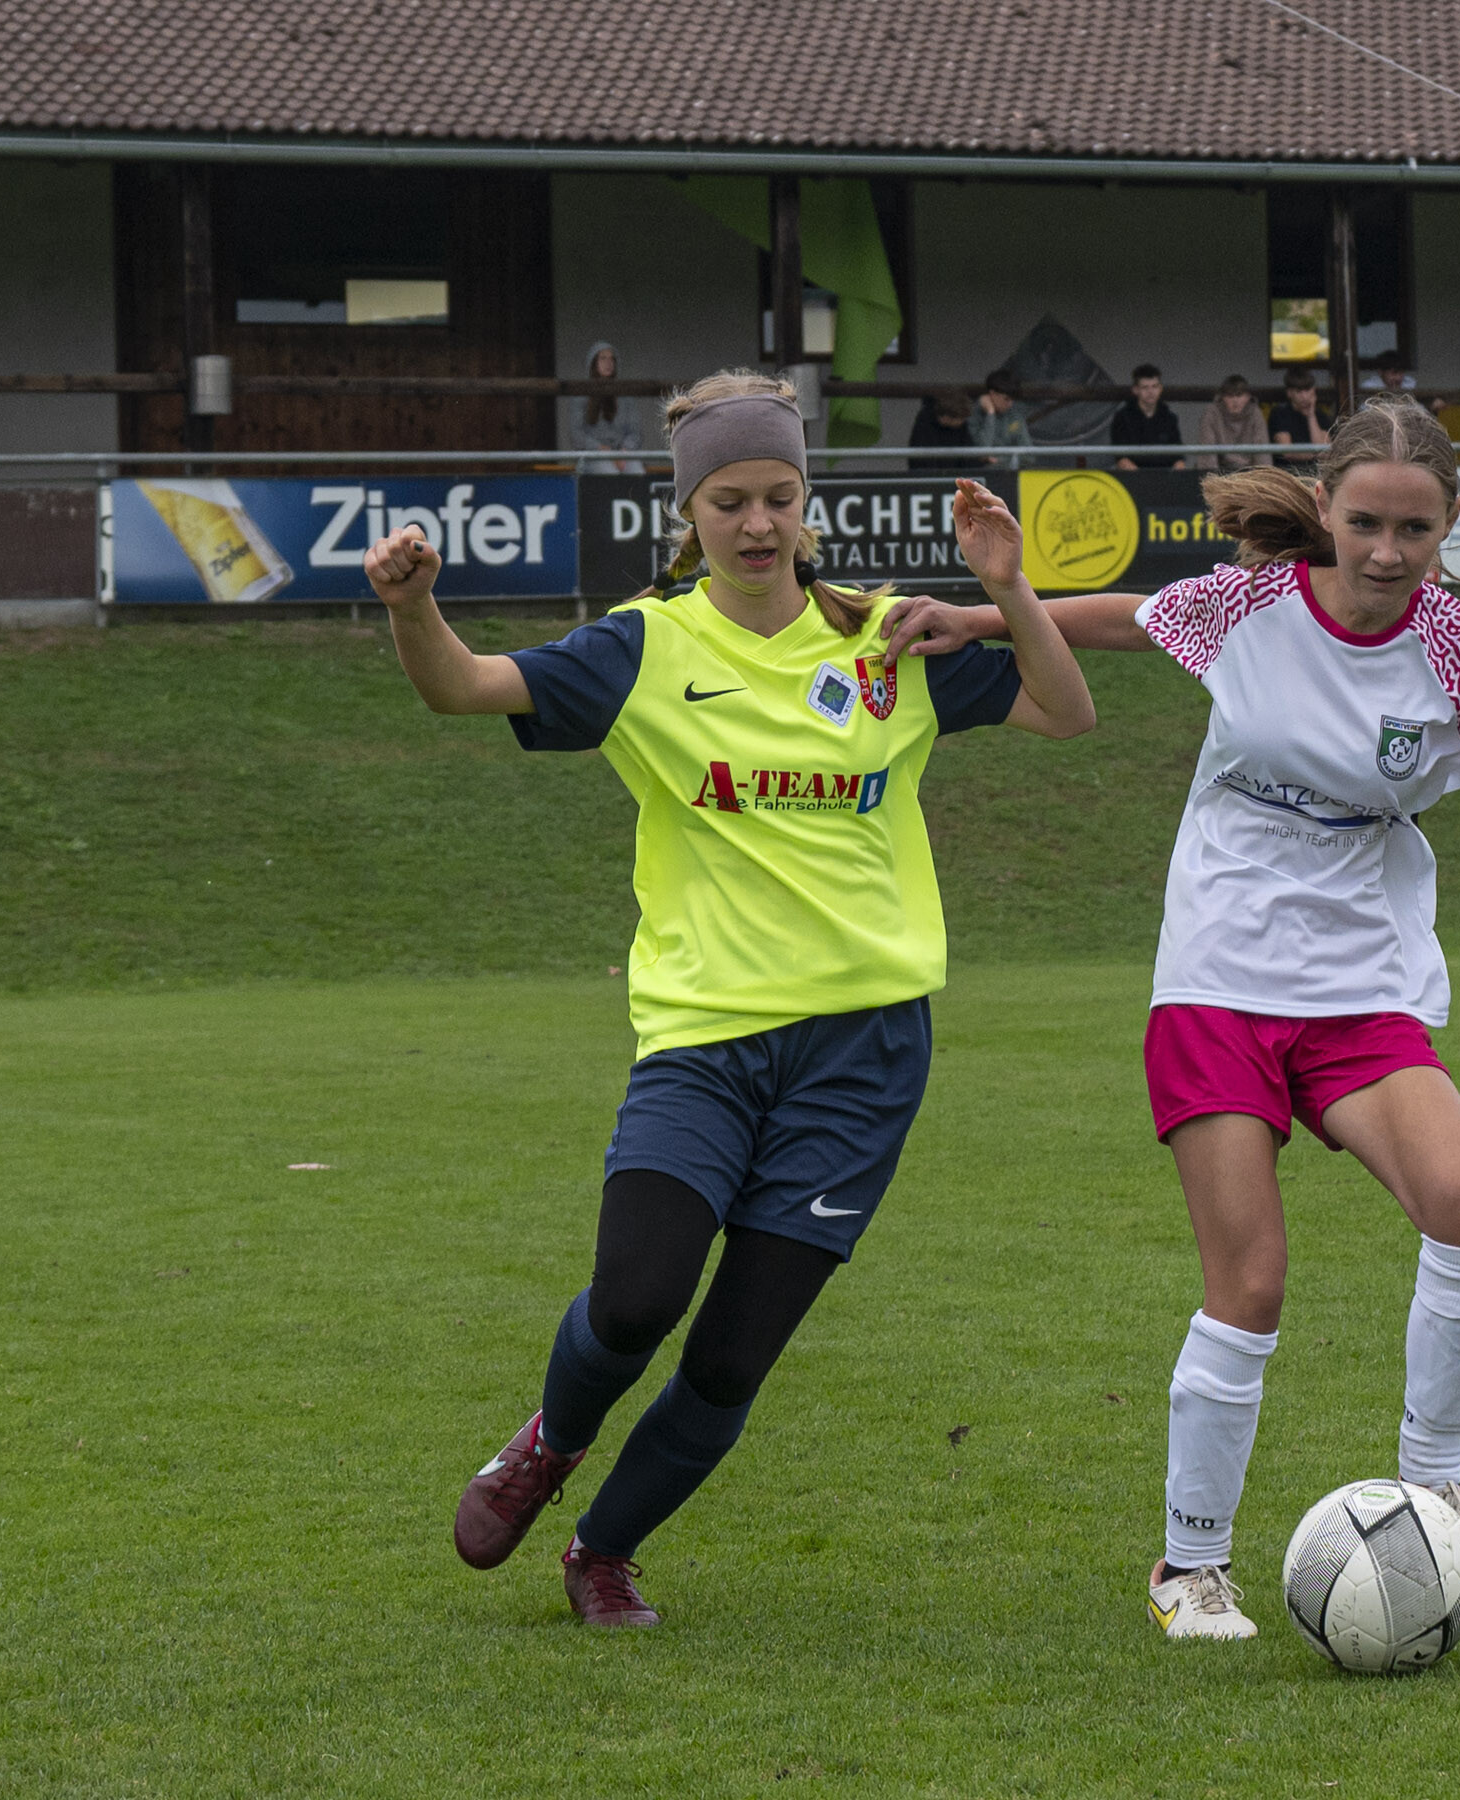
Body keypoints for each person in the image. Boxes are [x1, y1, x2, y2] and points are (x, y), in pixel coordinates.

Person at [876, 396, 1460, 1643]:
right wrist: (987, 611)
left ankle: (1436, 1491)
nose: (1386, 550)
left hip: (1360, 988)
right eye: (1365, 522)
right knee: (1251, 1282)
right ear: (1326, 509)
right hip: (1217, 980)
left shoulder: (1459, 649)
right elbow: (1129, 621)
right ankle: (1189, 1569)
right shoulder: (1249, 604)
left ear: (1448, 523)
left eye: (1415, 529)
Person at [363, 369, 1095, 1629]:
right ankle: (549, 1440)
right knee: (638, 1297)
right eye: (729, 500)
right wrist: (413, 606)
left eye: (779, 496)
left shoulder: (888, 637)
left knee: (731, 1353)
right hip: (703, 1040)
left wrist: (1008, 591)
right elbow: (461, 687)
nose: (758, 523)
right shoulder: (642, 647)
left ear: (808, 504)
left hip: (866, 1054)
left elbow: (1065, 711)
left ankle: (603, 1550)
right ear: (687, 510)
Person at [568, 341, 644, 475]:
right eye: (603, 358)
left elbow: (635, 432)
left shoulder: (625, 396)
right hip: (593, 455)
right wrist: (600, 449)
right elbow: (577, 435)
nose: (608, 363)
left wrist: (624, 451)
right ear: (593, 363)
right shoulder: (581, 395)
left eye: (611, 359)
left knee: (637, 471)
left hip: (623, 453)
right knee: (609, 473)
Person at [1110, 363, 1184, 470]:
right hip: (1132, 476)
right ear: (1135, 390)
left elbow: (1178, 456)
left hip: (1166, 475)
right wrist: (1140, 476)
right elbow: (1121, 458)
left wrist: (1178, 473)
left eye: (1154, 386)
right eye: (1145, 387)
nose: (1150, 392)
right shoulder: (1122, 418)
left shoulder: (1170, 418)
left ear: (1160, 388)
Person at [1195, 374, 1269, 471]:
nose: (1235, 400)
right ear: (1222, 397)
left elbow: (1262, 453)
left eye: (1239, 395)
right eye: (1230, 396)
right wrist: (1211, 476)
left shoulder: (1255, 413)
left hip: (1249, 473)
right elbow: (1207, 453)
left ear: (1248, 397)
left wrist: (1262, 476)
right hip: (1219, 471)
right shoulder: (1212, 413)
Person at [969, 368, 1034, 467]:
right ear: (992, 394)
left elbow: (1029, 456)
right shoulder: (972, 415)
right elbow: (982, 452)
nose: (1010, 404)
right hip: (978, 474)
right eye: (1006, 399)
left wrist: (1000, 460)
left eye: (1013, 399)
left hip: (1010, 472)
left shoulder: (1014, 416)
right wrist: (990, 414)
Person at [908, 388, 984, 472]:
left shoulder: (961, 427)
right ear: (946, 418)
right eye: (961, 419)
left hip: (955, 475)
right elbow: (921, 459)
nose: (962, 422)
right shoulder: (924, 425)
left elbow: (969, 456)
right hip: (931, 476)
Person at [1268, 366, 1333, 455]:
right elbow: (1287, 453)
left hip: (1317, 464)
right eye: (1299, 391)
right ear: (1289, 393)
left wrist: (1311, 416)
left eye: (1307, 390)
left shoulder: (1321, 416)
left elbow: (1325, 451)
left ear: (1313, 390)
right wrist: (1316, 455)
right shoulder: (1279, 414)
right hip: (1288, 464)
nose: (1304, 397)